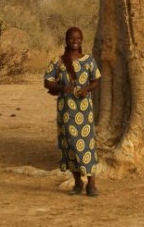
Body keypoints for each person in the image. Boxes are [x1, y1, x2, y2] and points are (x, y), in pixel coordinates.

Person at [44, 26, 101, 197]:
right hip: (66, 111)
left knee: (87, 147)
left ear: (81, 40)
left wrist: (87, 89)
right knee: (70, 147)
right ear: (66, 40)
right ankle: (77, 183)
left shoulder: (89, 60)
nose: (75, 42)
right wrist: (62, 87)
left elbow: (97, 79)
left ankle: (91, 184)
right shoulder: (58, 62)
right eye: (71, 39)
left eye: (78, 39)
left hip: (84, 112)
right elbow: (47, 82)